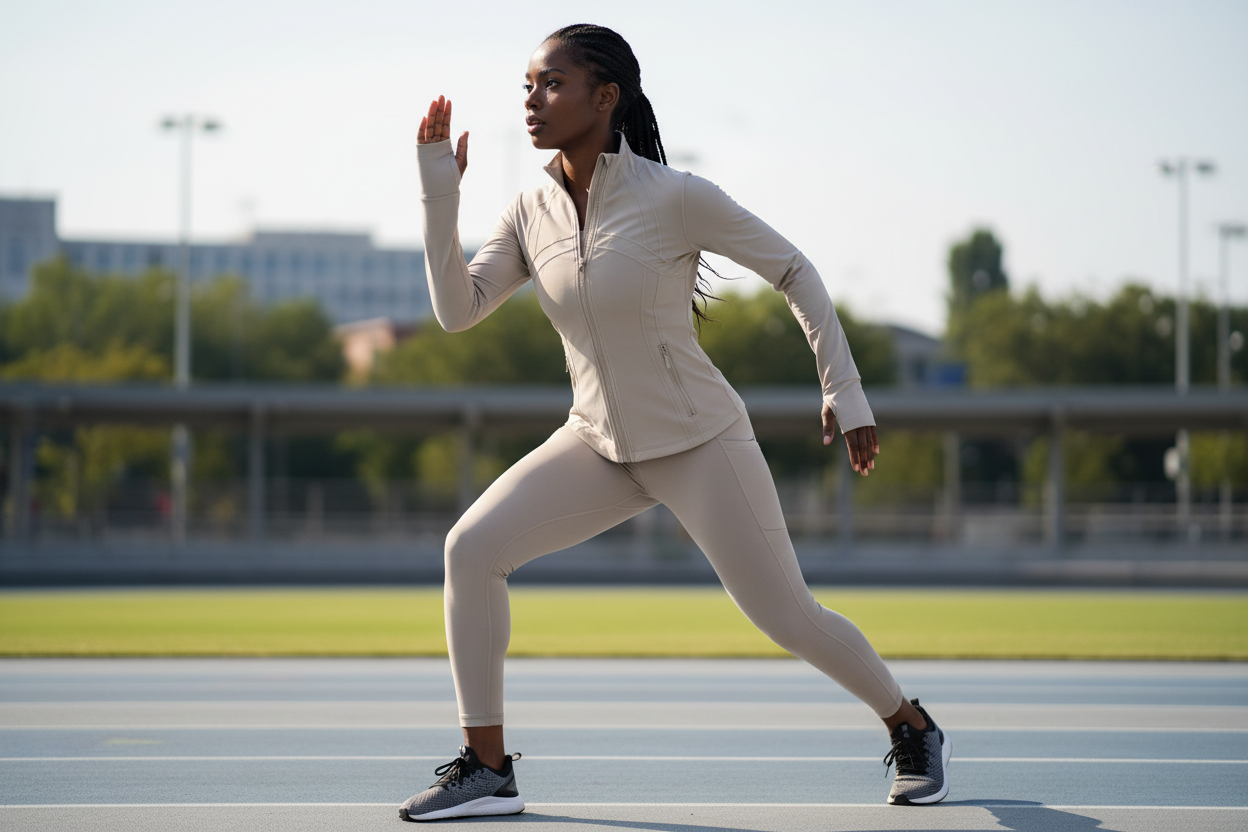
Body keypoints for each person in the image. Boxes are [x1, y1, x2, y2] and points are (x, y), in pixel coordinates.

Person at [400, 23, 951, 822]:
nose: (532, 100)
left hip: (699, 442)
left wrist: (845, 387)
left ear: (605, 96)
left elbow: (794, 268)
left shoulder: (674, 197)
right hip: (596, 442)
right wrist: (436, 191)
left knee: (786, 616)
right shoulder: (528, 210)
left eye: (551, 83)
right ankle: (488, 769)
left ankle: (912, 725)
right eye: (526, 85)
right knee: (471, 549)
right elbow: (457, 312)